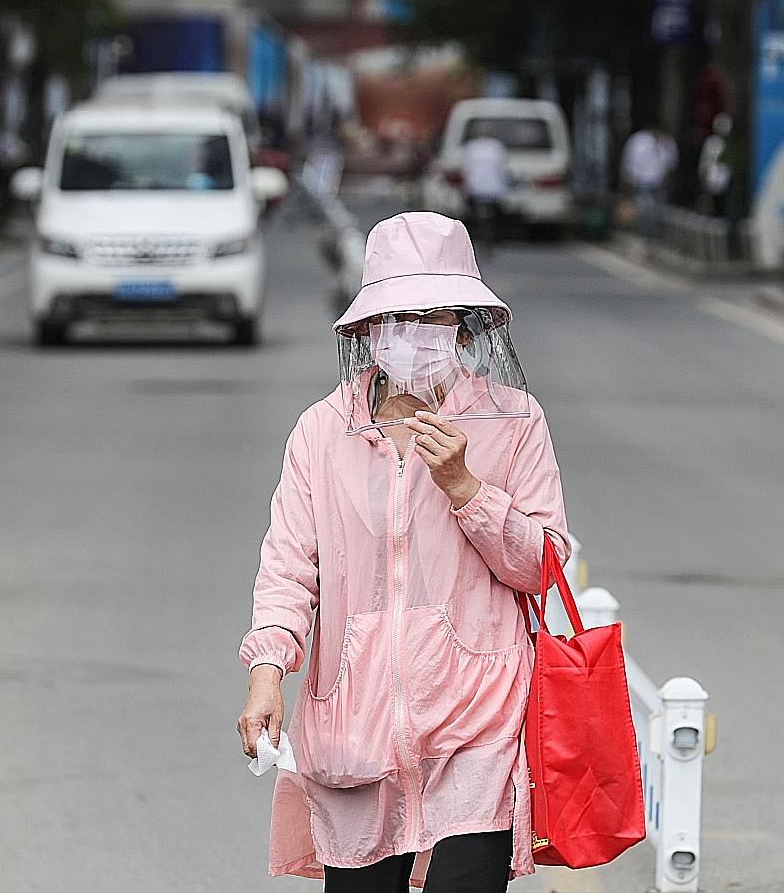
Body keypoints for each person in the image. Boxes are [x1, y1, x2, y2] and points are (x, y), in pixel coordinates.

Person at [237, 211, 569, 892]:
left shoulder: (513, 422)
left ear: (461, 324)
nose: (413, 335)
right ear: (366, 327)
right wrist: (268, 670)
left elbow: (543, 566)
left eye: (433, 317)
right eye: (397, 317)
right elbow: (289, 566)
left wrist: (467, 490)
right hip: (354, 726)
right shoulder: (322, 432)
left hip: (478, 721)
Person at [459, 125, 510, 256]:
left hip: (476, 187)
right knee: (492, 218)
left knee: (476, 216)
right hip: (494, 187)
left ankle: (479, 238)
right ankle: (490, 239)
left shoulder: (471, 147)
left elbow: (466, 169)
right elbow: (503, 167)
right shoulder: (496, 147)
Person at [620, 122, 676, 236]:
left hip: (658, 182)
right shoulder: (639, 140)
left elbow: (671, 163)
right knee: (645, 209)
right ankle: (647, 233)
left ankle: (654, 234)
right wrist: (629, 180)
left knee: (657, 210)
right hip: (642, 182)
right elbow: (630, 162)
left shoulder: (667, 142)